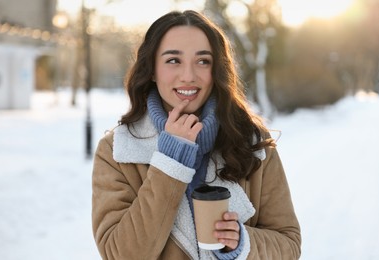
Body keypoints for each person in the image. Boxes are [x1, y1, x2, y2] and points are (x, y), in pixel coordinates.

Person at [92, 10, 301, 260]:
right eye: (173, 60)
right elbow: (120, 255)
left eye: (203, 61)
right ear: (151, 71)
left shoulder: (251, 141)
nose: (189, 76)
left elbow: (288, 244)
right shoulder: (118, 151)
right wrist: (171, 161)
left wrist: (241, 242)